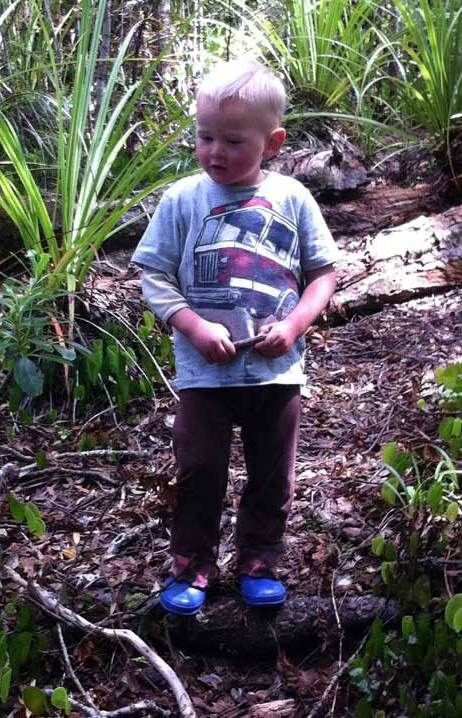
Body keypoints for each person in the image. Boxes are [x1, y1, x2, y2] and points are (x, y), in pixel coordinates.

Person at [131, 60, 338, 615]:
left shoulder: (293, 199)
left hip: (276, 370)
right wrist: (194, 326)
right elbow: (153, 274)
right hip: (205, 373)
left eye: (233, 141)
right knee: (198, 469)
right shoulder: (182, 200)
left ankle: (260, 561)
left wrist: (293, 324)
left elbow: (323, 275)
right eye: (205, 137)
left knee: (273, 472)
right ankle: (192, 567)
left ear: (273, 143)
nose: (215, 152)